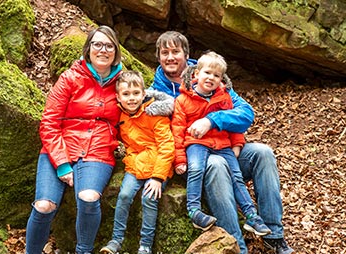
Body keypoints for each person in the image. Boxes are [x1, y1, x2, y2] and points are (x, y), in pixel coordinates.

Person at [149, 31, 294, 254]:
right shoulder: (155, 91)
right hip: (192, 159)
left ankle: (273, 234)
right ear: (158, 57)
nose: (170, 57)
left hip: (223, 145)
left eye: (175, 51)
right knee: (217, 165)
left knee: (262, 153)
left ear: (187, 56)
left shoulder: (213, 76)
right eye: (164, 52)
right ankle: (237, 245)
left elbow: (245, 113)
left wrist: (212, 120)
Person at [25, 25, 123, 254]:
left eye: (109, 46)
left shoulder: (122, 82)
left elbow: (138, 108)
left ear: (116, 52)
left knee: (88, 197)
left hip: (98, 149)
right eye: (97, 44)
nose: (103, 50)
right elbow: (49, 122)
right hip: (60, 145)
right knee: (44, 205)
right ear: (88, 48)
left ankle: (83, 251)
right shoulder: (70, 78)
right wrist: (61, 163)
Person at [171, 51, 271, 237]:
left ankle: (251, 215)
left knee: (236, 176)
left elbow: (234, 125)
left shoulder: (224, 98)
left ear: (221, 79)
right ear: (196, 74)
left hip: (222, 144)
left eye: (216, 76)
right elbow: (177, 130)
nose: (211, 78)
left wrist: (237, 144)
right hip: (196, 143)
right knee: (196, 168)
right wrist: (179, 159)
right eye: (207, 73)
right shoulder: (183, 99)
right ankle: (194, 210)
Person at [100, 71, 175, 254]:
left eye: (135, 93)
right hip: (135, 164)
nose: (131, 98)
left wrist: (158, 177)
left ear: (144, 94)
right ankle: (116, 240)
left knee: (149, 198)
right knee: (124, 195)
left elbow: (166, 146)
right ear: (118, 97)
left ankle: (145, 245)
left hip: (158, 165)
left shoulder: (155, 114)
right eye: (126, 94)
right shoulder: (120, 115)